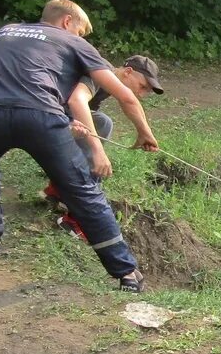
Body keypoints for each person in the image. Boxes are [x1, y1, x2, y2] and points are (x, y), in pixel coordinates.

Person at [0, 0, 158, 292]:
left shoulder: (4, 31)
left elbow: (12, 77)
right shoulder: (73, 42)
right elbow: (125, 96)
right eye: (79, 31)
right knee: (83, 191)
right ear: (67, 22)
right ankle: (127, 273)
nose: (80, 37)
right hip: (40, 118)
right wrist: (144, 133)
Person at [47, 55, 165, 239]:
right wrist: (97, 150)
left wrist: (145, 133)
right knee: (100, 127)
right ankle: (77, 217)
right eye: (142, 86)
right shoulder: (100, 72)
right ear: (128, 72)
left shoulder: (110, 79)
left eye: (147, 91)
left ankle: (58, 188)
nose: (142, 94)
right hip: (42, 112)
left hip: (58, 112)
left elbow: (129, 102)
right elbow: (76, 101)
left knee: (101, 122)